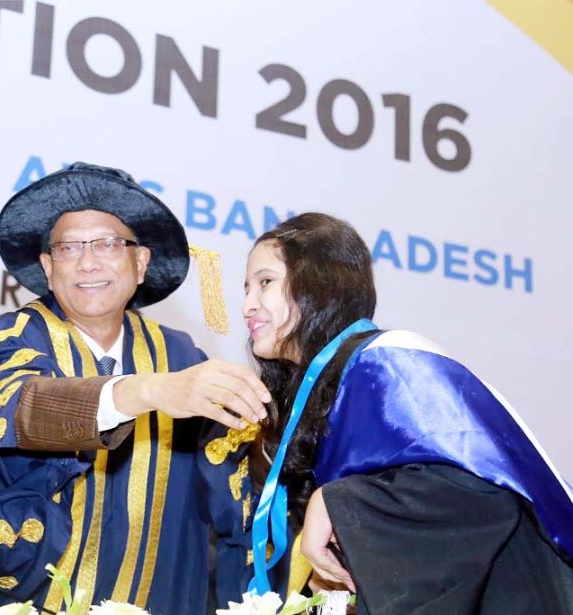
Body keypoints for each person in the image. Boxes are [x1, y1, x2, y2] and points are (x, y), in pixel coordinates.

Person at [0, 162, 267, 614]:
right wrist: (143, 392)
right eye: (69, 249)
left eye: (109, 244)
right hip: (23, 600)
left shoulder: (181, 357)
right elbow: (23, 408)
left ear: (141, 262)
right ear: (48, 268)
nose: (88, 262)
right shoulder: (11, 339)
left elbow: (236, 497)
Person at [241, 212, 573, 613]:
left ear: (320, 285)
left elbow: (482, 493)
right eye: (245, 288)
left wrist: (339, 503)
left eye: (265, 282)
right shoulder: (328, 387)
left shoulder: (389, 365)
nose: (247, 306)